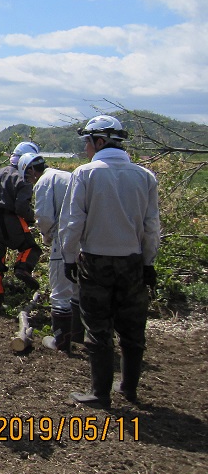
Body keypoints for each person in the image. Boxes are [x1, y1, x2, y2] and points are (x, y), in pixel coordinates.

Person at [60, 116, 160, 408]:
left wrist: (68, 257)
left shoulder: (85, 174)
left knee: (98, 328)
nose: (86, 149)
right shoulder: (145, 177)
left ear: (99, 142)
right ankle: (128, 388)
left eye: (88, 142)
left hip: (95, 261)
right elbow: (151, 227)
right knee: (132, 328)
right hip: (133, 262)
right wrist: (149, 263)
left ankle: (100, 393)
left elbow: (73, 221)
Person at [0, 140, 43, 314]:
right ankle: (22, 268)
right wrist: (32, 217)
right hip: (11, 221)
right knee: (31, 248)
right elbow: (21, 207)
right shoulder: (23, 178)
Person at [32, 158, 81, 353]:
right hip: (82, 240)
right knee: (77, 289)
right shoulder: (65, 176)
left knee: (60, 292)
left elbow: (44, 216)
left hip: (63, 240)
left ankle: (61, 342)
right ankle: (78, 336)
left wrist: (46, 235)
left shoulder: (45, 181)